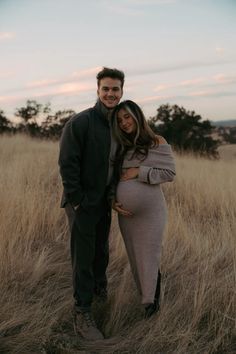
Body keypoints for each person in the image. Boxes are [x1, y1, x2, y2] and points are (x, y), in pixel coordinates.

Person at [58, 67, 125, 340]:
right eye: (106, 89)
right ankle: (82, 313)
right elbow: (67, 163)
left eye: (115, 89)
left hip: (102, 202)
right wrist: (78, 202)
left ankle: (99, 296)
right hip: (82, 204)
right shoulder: (81, 122)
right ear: (98, 91)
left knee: (101, 253)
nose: (110, 93)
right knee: (83, 258)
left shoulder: (119, 123)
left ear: (122, 91)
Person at [110, 100, 176, 318]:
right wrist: (113, 200)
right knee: (136, 259)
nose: (124, 123)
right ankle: (146, 301)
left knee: (149, 256)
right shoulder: (120, 146)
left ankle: (152, 308)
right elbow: (112, 178)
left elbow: (169, 174)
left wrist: (139, 172)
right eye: (119, 121)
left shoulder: (157, 142)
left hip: (151, 213)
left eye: (127, 117)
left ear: (137, 116)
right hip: (126, 216)